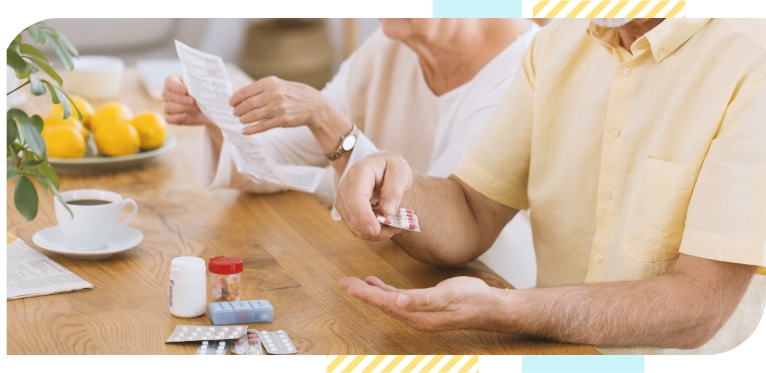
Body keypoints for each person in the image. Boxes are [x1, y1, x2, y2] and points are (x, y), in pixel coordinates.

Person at [333, 18, 766, 354]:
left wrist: (505, 310)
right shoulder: (555, 44)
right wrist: (392, 185)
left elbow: (699, 306)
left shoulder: (752, 61)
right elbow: (470, 210)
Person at [163, 19, 540, 289]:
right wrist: (220, 118)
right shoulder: (392, 39)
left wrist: (328, 121)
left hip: (481, 291)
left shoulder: (526, 64)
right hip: (382, 273)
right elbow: (285, 160)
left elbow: (443, 227)